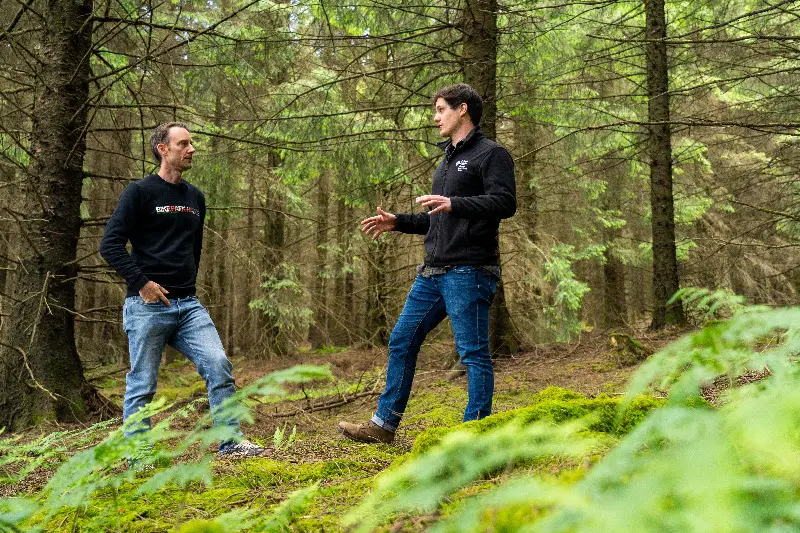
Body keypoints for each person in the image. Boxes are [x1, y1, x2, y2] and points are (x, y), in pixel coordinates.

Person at [338, 84, 516, 444]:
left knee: (473, 354)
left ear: (462, 109)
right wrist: (399, 221)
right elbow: (439, 218)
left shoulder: (491, 154)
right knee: (402, 340)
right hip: (433, 272)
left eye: (440, 110)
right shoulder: (447, 159)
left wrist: (456, 204)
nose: (435, 117)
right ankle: (383, 426)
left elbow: (505, 203)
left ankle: (475, 435)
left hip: (470, 269)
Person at [100, 122, 265, 459]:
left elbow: (195, 249)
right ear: (163, 149)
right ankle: (138, 454)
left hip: (188, 305)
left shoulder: (195, 198)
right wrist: (141, 284)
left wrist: (187, 286)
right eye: (184, 144)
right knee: (142, 384)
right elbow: (110, 244)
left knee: (218, 364)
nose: (192, 150)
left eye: (192, 144)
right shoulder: (140, 192)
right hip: (146, 305)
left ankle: (230, 441)